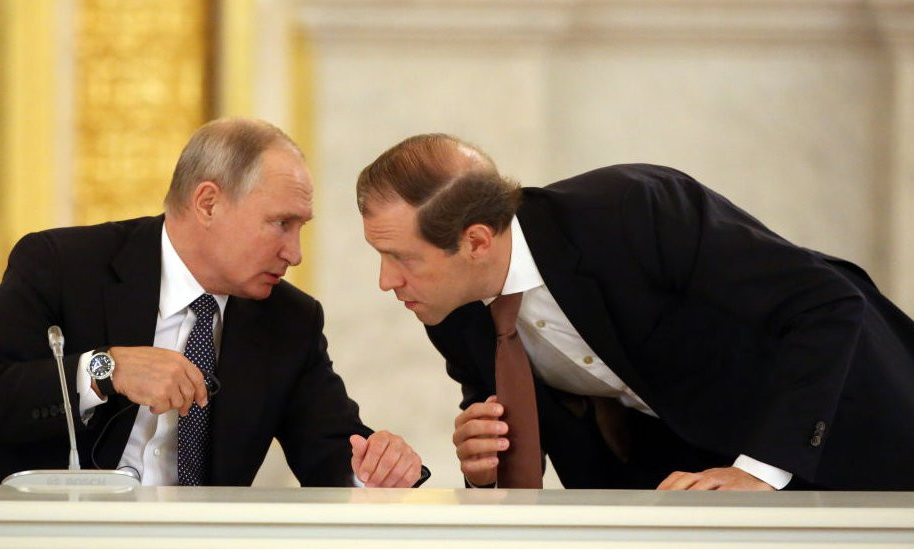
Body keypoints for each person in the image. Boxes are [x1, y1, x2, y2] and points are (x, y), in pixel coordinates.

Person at [356, 133, 914, 491]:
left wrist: (757, 472)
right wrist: (484, 471)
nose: (387, 281)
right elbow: (523, 438)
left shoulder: (632, 211)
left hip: (859, 432)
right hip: (699, 493)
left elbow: (827, 302)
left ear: (476, 241)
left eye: (400, 258)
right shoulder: (451, 312)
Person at [0, 118, 424, 488]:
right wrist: (103, 372)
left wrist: (379, 466)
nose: (294, 254)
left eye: (301, 229)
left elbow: (332, 453)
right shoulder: (63, 265)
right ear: (208, 203)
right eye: (281, 224)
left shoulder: (287, 318)